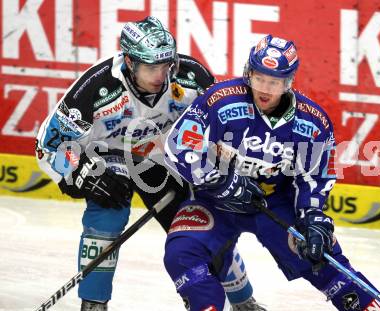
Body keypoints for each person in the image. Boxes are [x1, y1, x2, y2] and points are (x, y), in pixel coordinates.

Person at [35, 16, 264, 311]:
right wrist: (78, 171)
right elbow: (49, 146)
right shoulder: (97, 87)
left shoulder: (191, 76)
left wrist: (231, 165)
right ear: (129, 62)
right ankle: (93, 303)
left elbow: (223, 130)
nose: (161, 75)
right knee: (107, 211)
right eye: (151, 67)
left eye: (166, 65)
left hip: (166, 157)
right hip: (110, 155)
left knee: (200, 223)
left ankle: (241, 300)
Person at [163, 34, 380, 310]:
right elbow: (177, 146)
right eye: (259, 78)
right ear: (248, 73)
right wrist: (221, 181)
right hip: (216, 202)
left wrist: (312, 217)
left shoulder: (312, 122)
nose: (265, 88)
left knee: (321, 257)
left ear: (289, 82)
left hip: (274, 206)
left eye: (274, 82)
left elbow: (316, 176)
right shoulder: (220, 100)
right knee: (181, 253)